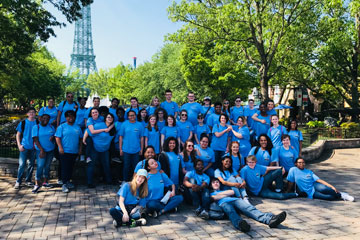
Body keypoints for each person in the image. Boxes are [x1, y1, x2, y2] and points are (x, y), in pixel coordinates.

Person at [210, 178, 287, 232]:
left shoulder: (224, 189)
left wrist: (220, 195)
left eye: (217, 182)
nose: (216, 183)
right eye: (214, 182)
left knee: (250, 209)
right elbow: (214, 198)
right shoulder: (210, 193)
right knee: (231, 212)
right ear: (211, 185)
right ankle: (240, 224)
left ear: (220, 184)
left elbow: (232, 192)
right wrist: (224, 195)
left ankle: (270, 219)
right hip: (224, 204)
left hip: (235, 200)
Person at [287, 157, 354, 201]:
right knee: (329, 197)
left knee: (324, 188)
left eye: (303, 162)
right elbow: (290, 182)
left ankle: (342, 195)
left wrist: (332, 186)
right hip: (309, 192)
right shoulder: (293, 170)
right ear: (296, 164)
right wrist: (288, 191)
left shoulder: (308, 171)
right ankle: (338, 195)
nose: (302, 164)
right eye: (299, 162)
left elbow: (319, 180)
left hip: (314, 185)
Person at [83, 113, 115, 187]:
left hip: (105, 149)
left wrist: (110, 127)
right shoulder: (99, 125)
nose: (110, 118)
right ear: (105, 118)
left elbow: (115, 124)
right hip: (95, 148)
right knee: (91, 165)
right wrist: (84, 140)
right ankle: (89, 182)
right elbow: (88, 130)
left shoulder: (113, 127)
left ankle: (109, 181)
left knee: (106, 165)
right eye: (108, 117)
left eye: (111, 117)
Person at [55, 110, 83, 193]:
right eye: (68, 116)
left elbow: (81, 139)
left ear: (75, 117)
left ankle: (68, 181)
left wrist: (80, 149)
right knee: (64, 167)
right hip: (64, 151)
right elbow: (57, 138)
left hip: (74, 151)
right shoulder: (62, 127)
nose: (70, 118)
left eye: (72, 116)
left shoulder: (77, 127)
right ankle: (64, 184)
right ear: (66, 117)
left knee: (71, 167)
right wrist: (60, 147)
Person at [31, 114, 56, 193]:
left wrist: (53, 137)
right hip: (40, 150)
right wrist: (42, 150)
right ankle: (37, 183)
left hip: (50, 150)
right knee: (40, 166)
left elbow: (54, 136)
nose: (46, 120)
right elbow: (35, 139)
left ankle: (45, 182)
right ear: (40, 119)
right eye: (44, 118)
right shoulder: (36, 127)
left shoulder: (51, 127)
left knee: (47, 166)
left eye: (47, 119)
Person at [14, 107, 37, 189]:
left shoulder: (38, 122)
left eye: (33, 112)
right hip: (24, 147)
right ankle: (18, 181)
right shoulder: (23, 123)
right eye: (30, 112)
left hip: (34, 148)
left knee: (31, 165)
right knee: (22, 165)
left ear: (35, 113)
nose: (31, 114)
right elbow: (18, 135)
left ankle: (28, 180)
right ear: (27, 114)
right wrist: (19, 145)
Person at [119, 110, 144, 181]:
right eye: (130, 115)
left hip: (136, 150)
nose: (132, 117)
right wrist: (120, 149)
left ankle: (135, 182)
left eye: (133, 115)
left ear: (135, 116)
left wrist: (141, 149)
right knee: (126, 167)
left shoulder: (139, 125)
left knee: (136, 167)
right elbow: (120, 137)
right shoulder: (124, 124)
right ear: (128, 116)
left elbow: (141, 138)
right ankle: (125, 181)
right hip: (126, 150)